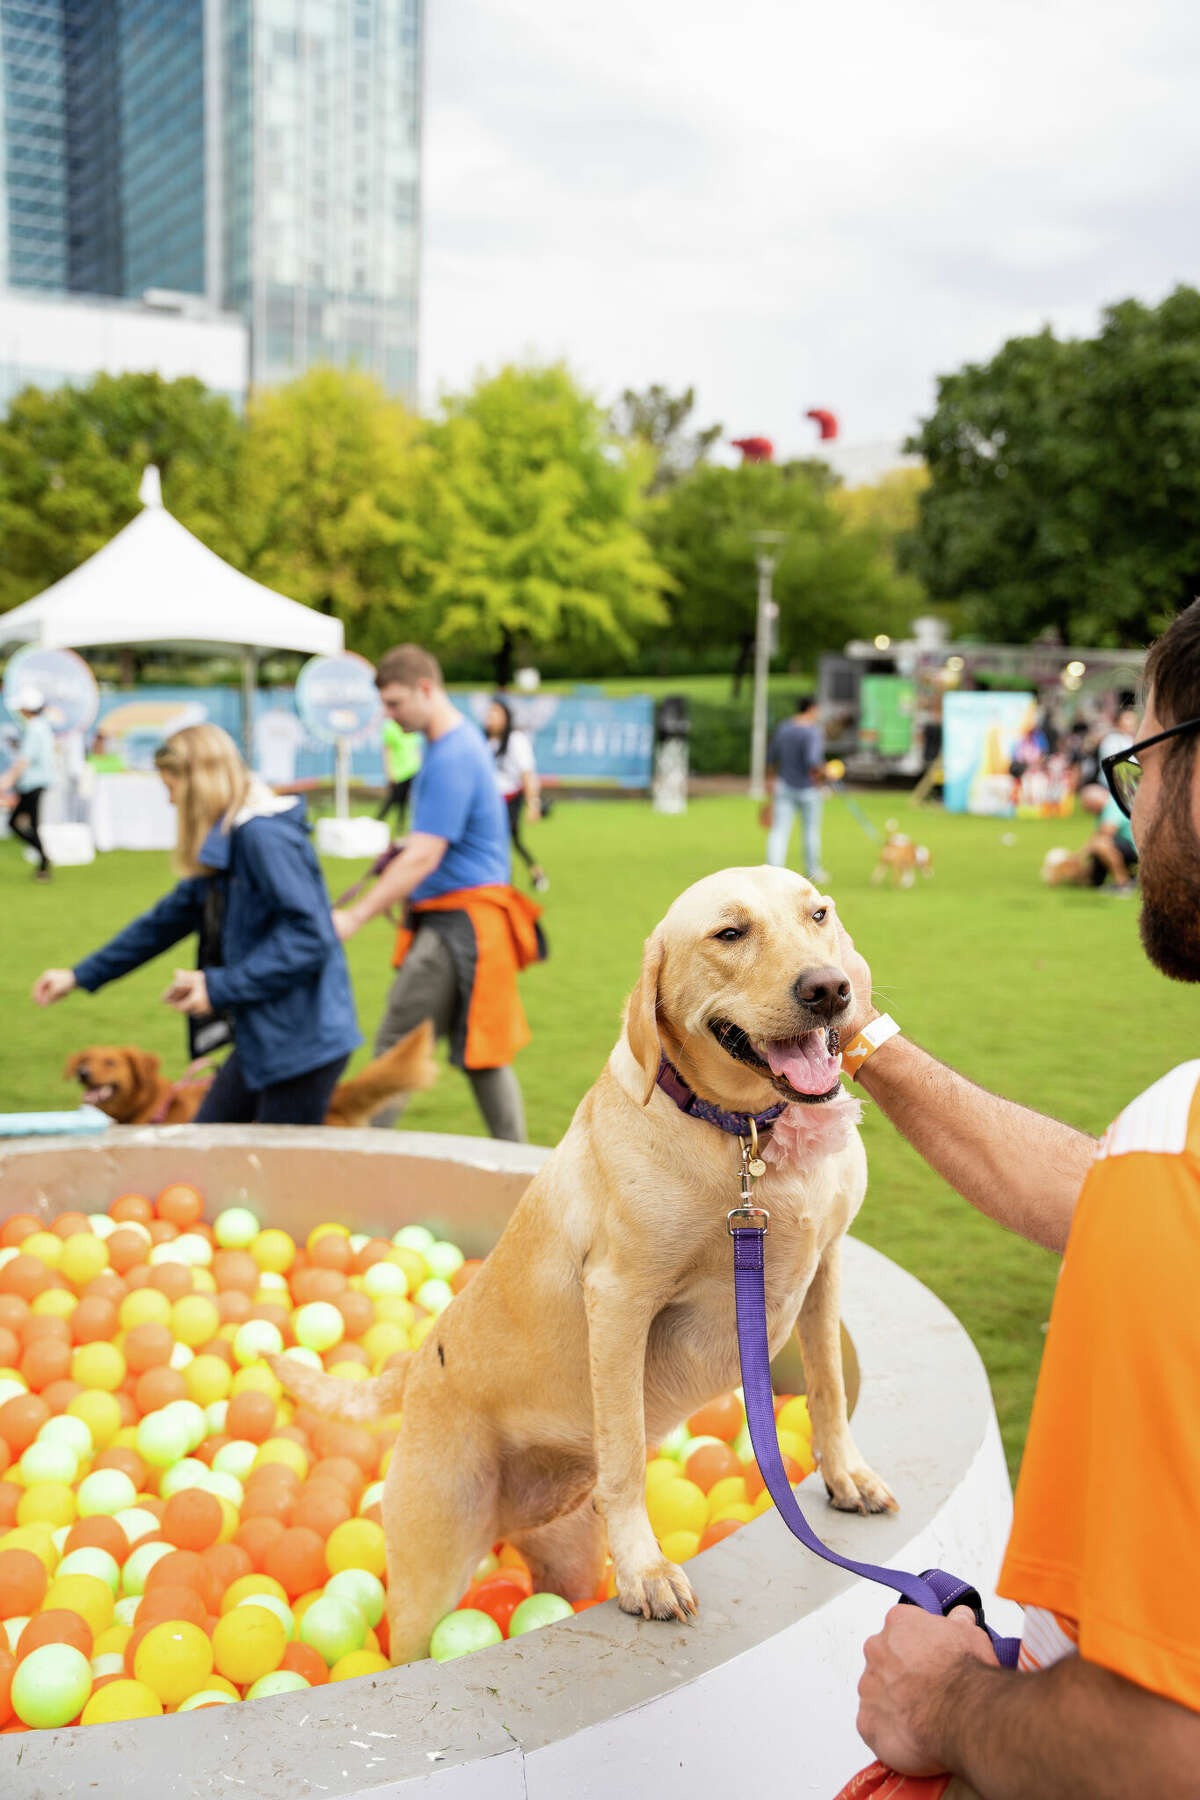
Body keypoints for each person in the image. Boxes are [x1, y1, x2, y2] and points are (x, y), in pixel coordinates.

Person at [830, 599, 1200, 1798]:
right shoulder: (1163, 1171)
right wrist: (862, 1041)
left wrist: (946, 1699)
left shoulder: (1177, 1155)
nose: (1131, 812)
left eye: (1138, 763)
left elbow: (1162, 1750)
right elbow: (1110, 1198)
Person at [32, 723, 360, 1125]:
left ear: (198, 784)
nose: (171, 804)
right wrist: (80, 975)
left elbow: (312, 936)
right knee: (208, 1147)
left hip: (302, 1039)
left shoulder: (261, 837)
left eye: (172, 790)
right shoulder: (228, 840)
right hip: (265, 1033)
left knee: (274, 1174)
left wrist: (218, 986)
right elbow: (164, 921)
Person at [333, 644, 540, 1142]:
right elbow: (430, 846)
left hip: (458, 925)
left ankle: (361, 1160)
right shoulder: (453, 746)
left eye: (395, 702)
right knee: (479, 1054)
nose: (388, 714)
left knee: (399, 1047)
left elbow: (426, 855)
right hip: (464, 922)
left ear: (426, 689)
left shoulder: (451, 755)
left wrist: (354, 916)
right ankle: (521, 1169)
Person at [485, 696, 549, 892]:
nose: (491, 718)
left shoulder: (516, 740)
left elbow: (528, 774)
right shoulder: (486, 742)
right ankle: (522, 876)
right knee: (507, 840)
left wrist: (533, 804)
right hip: (491, 801)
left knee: (505, 839)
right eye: (490, 713)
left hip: (511, 799)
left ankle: (507, 881)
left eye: (497, 713)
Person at [764, 694, 828, 880]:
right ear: (811, 709)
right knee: (810, 831)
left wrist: (769, 779)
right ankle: (813, 870)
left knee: (779, 831)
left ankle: (773, 872)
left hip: (784, 785)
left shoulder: (784, 728)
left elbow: (771, 756)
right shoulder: (813, 732)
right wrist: (826, 773)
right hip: (808, 788)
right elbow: (812, 761)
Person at [1, 686, 56, 882]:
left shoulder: (35, 728)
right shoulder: (40, 726)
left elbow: (24, 760)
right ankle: (43, 862)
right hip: (34, 783)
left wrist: (7, 780)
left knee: (18, 823)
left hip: (33, 784)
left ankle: (44, 861)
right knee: (29, 823)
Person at [378, 713, 422, 833]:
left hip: (413, 769)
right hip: (399, 771)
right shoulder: (389, 727)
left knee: (405, 801)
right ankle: (378, 821)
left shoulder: (413, 727)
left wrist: (420, 765)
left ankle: (400, 825)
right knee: (394, 799)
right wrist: (389, 771)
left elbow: (416, 749)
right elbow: (387, 751)